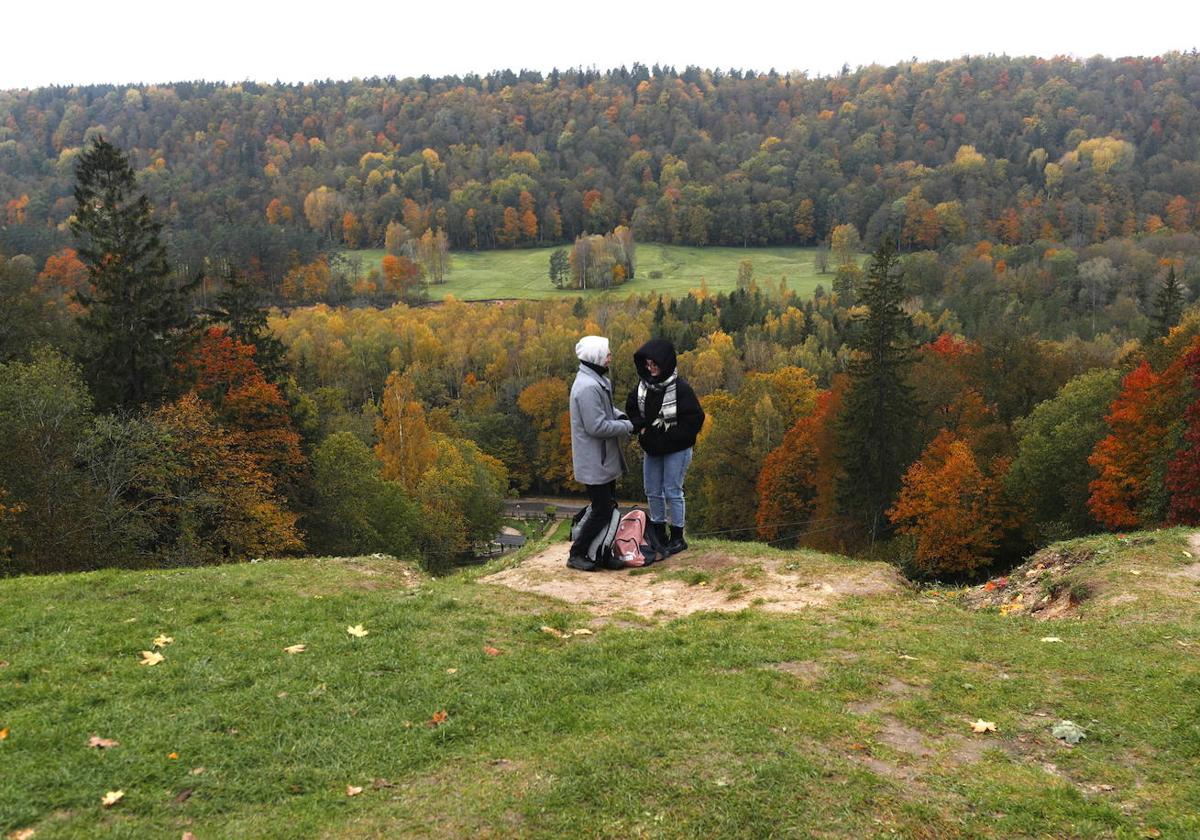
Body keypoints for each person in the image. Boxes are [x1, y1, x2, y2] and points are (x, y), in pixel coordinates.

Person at [567, 335, 643, 571]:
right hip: (595, 460)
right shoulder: (588, 387)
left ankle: (602, 552)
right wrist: (630, 426)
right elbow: (597, 426)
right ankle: (577, 553)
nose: (610, 357)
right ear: (596, 357)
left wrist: (622, 416)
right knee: (601, 510)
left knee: (608, 507)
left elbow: (607, 411)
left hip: (602, 458)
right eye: (607, 353)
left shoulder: (595, 380)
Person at [625, 338, 704, 556]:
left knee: (672, 490)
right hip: (652, 449)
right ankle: (658, 533)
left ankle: (677, 537)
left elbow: (695, 420)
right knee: (652, 490)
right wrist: (641, 429)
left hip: (677, 449)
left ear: (665, 363)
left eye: (655, 364)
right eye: (648, 364)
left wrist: (667, 438)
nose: (650, 369)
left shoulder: (681, 389)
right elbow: (631, 409)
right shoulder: (642, 388)